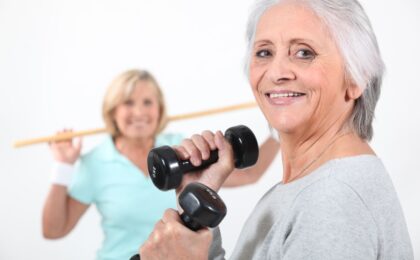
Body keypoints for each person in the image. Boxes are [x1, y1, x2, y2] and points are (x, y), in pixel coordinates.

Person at [137, 0, 414, 259]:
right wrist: (196, 218)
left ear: (356, 78)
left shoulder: (332, 200)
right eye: (264, 52)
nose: (276, 71)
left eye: (304, 53)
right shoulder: (304, 188)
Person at [42, 69, 279, 260]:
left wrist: (282, 130)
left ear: (159, 110)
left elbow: (250, 174)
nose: (139, 112)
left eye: (147, 102)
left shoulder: (182, 150)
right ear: (113, 111)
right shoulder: (95, 162)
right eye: (128, 102)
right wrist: (63, 165)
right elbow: (54, 230)